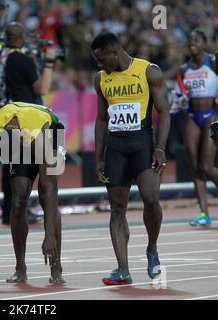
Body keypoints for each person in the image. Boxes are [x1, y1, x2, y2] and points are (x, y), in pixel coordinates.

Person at [91, 32, 170, 285]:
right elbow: (101, 119)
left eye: (103, 60)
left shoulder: (149, 71)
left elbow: (164, 112)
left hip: (143, 146)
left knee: (151, 200)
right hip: (116, 148)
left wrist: (160, 148)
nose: (101, 66)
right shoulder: (101, 79)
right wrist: (98, 157)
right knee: (116, 209)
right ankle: (122, 269)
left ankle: (152, 248)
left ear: (115, 53)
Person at [0, 101, 66, 284]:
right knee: (17, 202)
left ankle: (56, 266)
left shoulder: (38, 136)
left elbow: (50, 190)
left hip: (50, 132)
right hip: (18, 133)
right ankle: (20, 268)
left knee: (45, 198)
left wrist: (49, 235)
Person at [0, 22, 56, 225]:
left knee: (9, 166)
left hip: (3, 118)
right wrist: (49, 64)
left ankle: (8, 210)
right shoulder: (23, 60)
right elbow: (42, 89)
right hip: (23, 119)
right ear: (22, 38)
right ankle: (22, 208)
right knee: (29, 166)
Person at [175, 29, 218, 226]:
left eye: (196, 40)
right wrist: (180, 101)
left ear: (204, 42)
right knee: (196, 168)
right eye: (190, 40)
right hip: (192, 115)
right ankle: (204, 213)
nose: (192, 43)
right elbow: (178, 95)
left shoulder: (213, 61)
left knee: (207, 167)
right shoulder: (184, 69)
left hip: (212, 115)